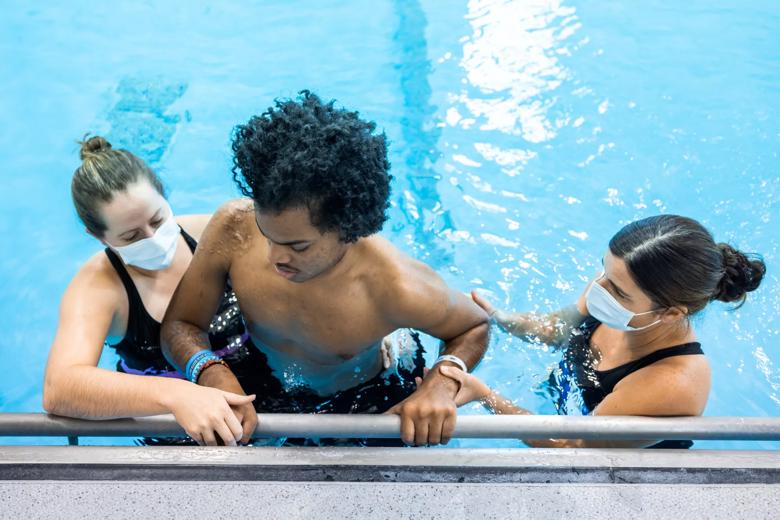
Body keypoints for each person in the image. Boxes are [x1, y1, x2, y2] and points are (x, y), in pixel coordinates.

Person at [161, 91, 489, 447]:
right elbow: (181, 325)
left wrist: (441, 383)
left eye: (297, 246)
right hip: (259, 375)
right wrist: (212, 373)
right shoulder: (235, 228)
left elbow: (474, 325)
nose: (274, 257)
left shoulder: (394, 286)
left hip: (367, 393)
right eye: (268, 236)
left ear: (349, 230)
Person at [430, 215, 766, 448]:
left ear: (670, 312)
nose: (597, 290)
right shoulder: (617, 292)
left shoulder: (672, 383)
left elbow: (570, 446)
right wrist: (498, 316)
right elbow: (557, 329)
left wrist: (485, 396)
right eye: (604, 270)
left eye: (618, 291)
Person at [43, 136, 265, 446]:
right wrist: (177, 395)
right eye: (131, 237)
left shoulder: (212, 237)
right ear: (98, 236)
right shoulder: (98, 287)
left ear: (164, 196)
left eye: (158, 219)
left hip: (263, 393)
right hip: (176, 426)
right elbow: (60, 388)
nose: (153, 238)